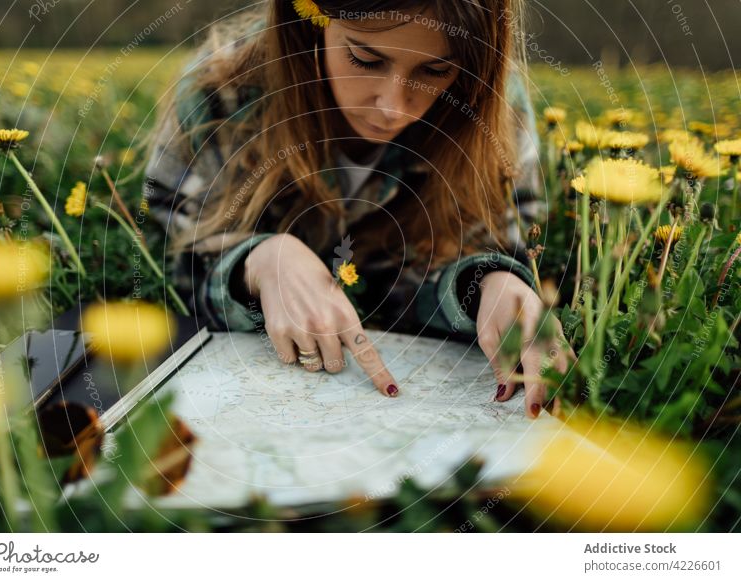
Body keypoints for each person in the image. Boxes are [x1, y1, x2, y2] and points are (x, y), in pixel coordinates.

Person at [142, 0, 572, 418]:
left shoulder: (491, 115)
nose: (392, 107)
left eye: (436, 70)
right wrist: (255, 263)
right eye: (365, 58)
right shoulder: (221, 96)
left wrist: (486, 283)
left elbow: (503, 234)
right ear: (309, 19)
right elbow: (161, 263)